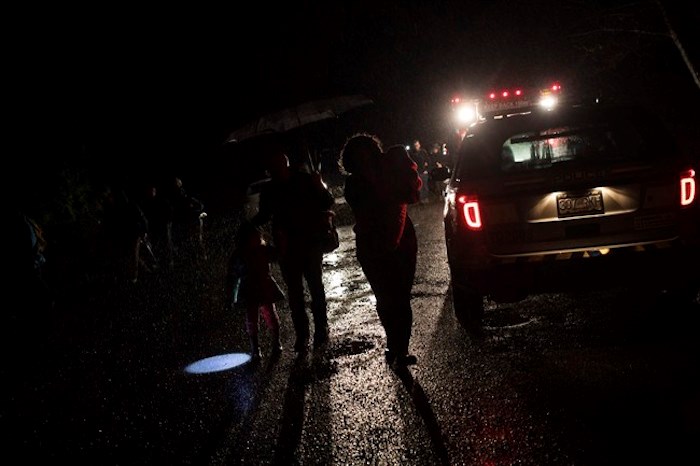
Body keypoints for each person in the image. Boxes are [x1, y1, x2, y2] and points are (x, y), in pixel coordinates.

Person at [341, 134, 422, 368]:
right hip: (373, 246)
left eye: (367, 155)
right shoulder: (354, 184)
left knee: (401, 298)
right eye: (359, 159)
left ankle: (401, 349)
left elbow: (410, 194)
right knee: (386, 298)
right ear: (352, 163)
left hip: (402, 241)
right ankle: (393, 344)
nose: (364, 161)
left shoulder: (390, 170)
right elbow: (368, 206)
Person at [251, 149, 335, 353]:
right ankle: (303, 334)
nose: (274, 171)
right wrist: (249, 225)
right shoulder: (270, 189)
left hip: (309, 242)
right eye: (272, 169)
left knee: (315, 287)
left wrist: (320, 185)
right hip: (287, 247)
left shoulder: (305, 180)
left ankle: (320, 329)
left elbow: (327, 202)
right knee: (297, 293)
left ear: (285, 164)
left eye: (276, 167)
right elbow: (264, 215)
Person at [225, 221, 284, 361]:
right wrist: (230, 296)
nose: (258, 237)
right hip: (254, 288)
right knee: (255, 318)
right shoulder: (244, 254)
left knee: (269, 315)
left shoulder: (259, 250)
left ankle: (272, 343)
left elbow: (232, 277)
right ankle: (257, 347)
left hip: (260, 287)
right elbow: (232, 277)